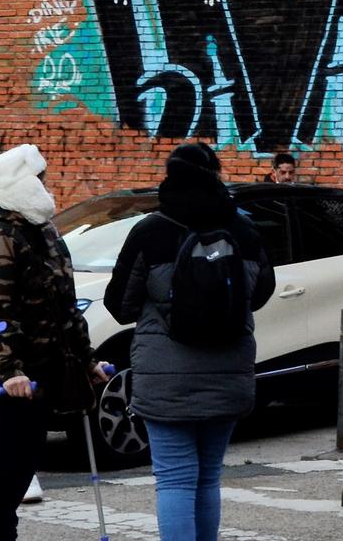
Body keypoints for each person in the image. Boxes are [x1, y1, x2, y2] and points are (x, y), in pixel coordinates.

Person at [104, 142, 274, 541]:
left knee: (175, 479)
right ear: (215, 173)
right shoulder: (243, 229)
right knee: (207, 478)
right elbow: (262, 292)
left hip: (165, 378)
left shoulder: (150, 231)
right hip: (228, 371)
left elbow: (119, 305)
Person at [0, 146, 109, 541]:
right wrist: (8, 370)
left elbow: (65, 303)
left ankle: (1, 535)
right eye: (38, 178)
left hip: (42, 371)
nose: (45, 185)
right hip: (3, 380)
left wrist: (86, 359)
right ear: (20, 184)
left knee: (15, 474)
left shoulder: (43, 230)